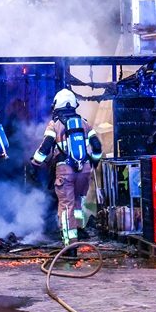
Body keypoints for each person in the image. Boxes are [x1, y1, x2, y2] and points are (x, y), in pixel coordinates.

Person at [30, 89, 103, 245]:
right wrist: (94, 162)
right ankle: (79, 230)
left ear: (57, 105)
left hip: (65, 171)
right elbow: (97, 146)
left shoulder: (54, 125)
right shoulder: (84, 123)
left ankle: (70, 242)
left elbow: (45, 148)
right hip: (84, 170)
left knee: (66, 205)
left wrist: (35, 163)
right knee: (77, 201)